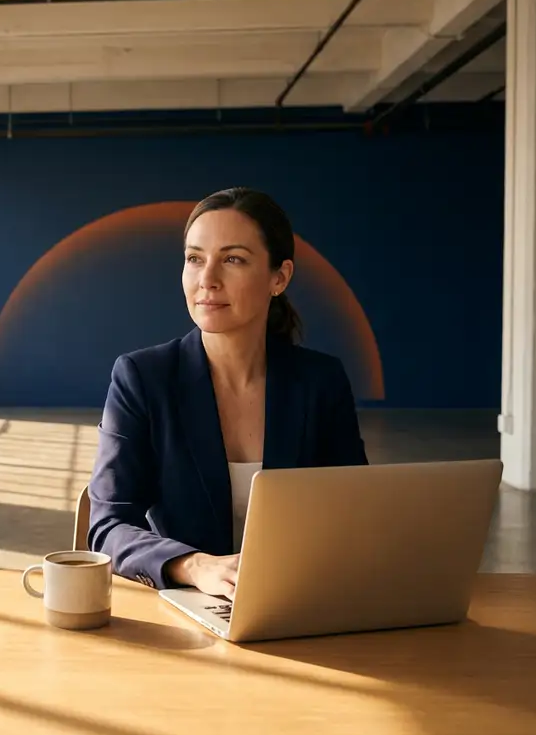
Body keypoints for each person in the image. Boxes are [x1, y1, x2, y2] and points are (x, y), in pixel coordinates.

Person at [86, 187, 368, 599]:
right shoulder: (142, 378)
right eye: (195, 259)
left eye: (232, 259)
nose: (207, 279)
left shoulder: (320, 381)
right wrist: (194, 566)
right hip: (187, 607)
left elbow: (356, 513)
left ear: (280, 277)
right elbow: (107, 527)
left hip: (300, 602)